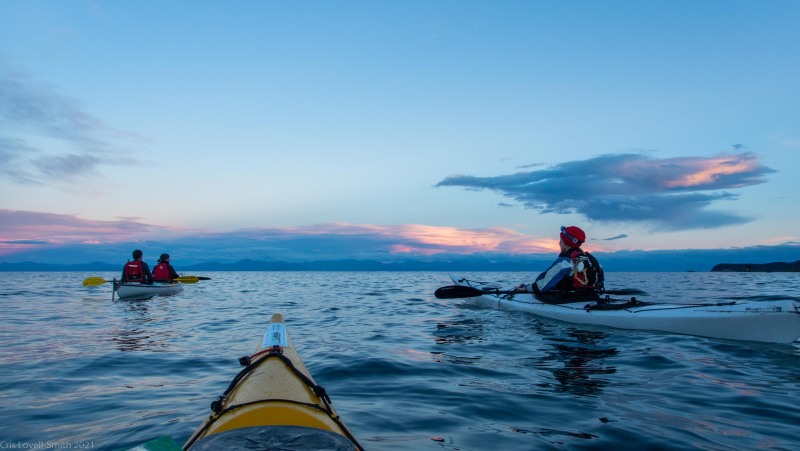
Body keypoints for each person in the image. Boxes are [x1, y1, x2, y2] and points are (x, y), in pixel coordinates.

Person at [518, 226, 604, 301]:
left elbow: (542, 285)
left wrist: (527, 288)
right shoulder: (591, 259)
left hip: (570, 299)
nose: (559, 243)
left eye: (561, 240)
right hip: (591, 296)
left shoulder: (565, 261)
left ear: (566, 242)